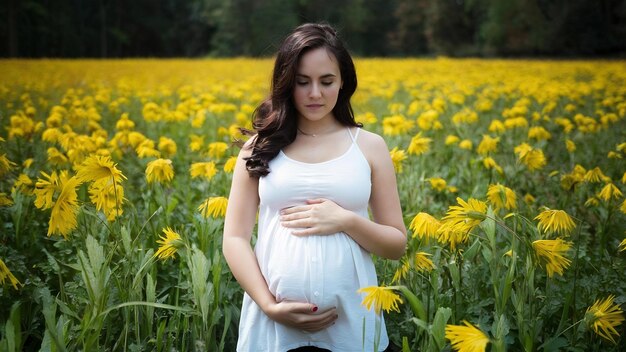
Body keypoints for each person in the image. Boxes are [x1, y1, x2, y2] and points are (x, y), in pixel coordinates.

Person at [222, 23, 407, 352]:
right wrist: (269, 306)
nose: (315, 94)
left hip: (353, 329)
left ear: (343, 82)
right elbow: (234, 239)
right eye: (302, 82)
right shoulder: (258, 148)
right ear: (285, 83)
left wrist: (346, 220)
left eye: (327, 81)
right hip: (273, 332)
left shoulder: (369, 146)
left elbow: (396, 245)